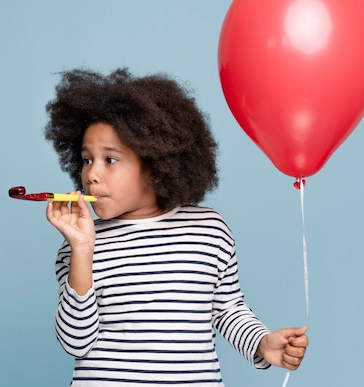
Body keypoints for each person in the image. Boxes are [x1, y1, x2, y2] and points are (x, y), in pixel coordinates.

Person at [43, 68, 308, 386]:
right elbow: (75, 342)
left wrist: (262, 345)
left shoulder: (209, 230)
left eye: (110, 160)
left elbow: (227, 310)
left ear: (155, 167)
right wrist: (82, 251)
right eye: (87, 160)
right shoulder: (78, 246)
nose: (92, 174)